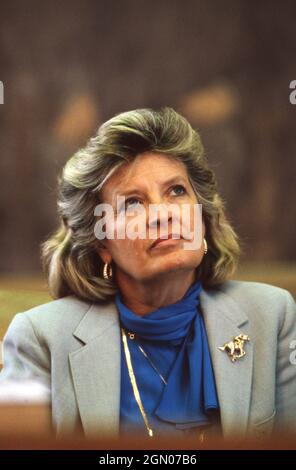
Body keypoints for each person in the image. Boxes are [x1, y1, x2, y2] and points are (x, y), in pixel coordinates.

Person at [0, 107, 295, 442]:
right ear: (102, 245)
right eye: (133, 204)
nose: (163, 215)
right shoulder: (42, 338)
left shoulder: (272, 316)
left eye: (177, 191)